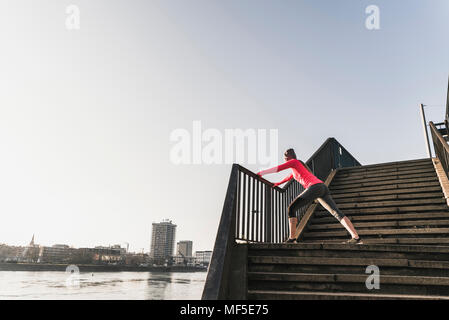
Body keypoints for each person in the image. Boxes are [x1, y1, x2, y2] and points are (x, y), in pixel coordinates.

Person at [257, 148, 362, 244]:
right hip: (322, 187)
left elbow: (278, 168)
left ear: (288, 157)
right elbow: (288, 177)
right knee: (336, 213)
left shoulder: (294, 162)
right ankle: (356, 237)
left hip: (314, 187)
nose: (284, 159)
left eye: (285, 156)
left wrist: (261, 172)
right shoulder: (297, 167)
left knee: (291, 208)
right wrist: (278, 184)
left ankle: (292, 238)